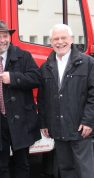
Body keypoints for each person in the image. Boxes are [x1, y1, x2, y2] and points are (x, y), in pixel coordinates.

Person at [0, 20, 41, 178]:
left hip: (21, 121)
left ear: (10, 37)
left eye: (5, 36)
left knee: (22, 164)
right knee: (0, 167)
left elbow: (37, 78)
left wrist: (13, 78)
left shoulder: (23, 56)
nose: (2, 40)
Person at [38, 24, 94, 178]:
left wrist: (89, 121)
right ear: (50, 42)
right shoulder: (46, 67)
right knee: (66, 170)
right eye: (56, 39)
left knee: (85, 171)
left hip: (80, 129)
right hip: (58, 130)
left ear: (71, 40)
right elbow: (42, 98)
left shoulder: (88, 63)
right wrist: (44, 123)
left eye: (63, 38)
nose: (60, 42)